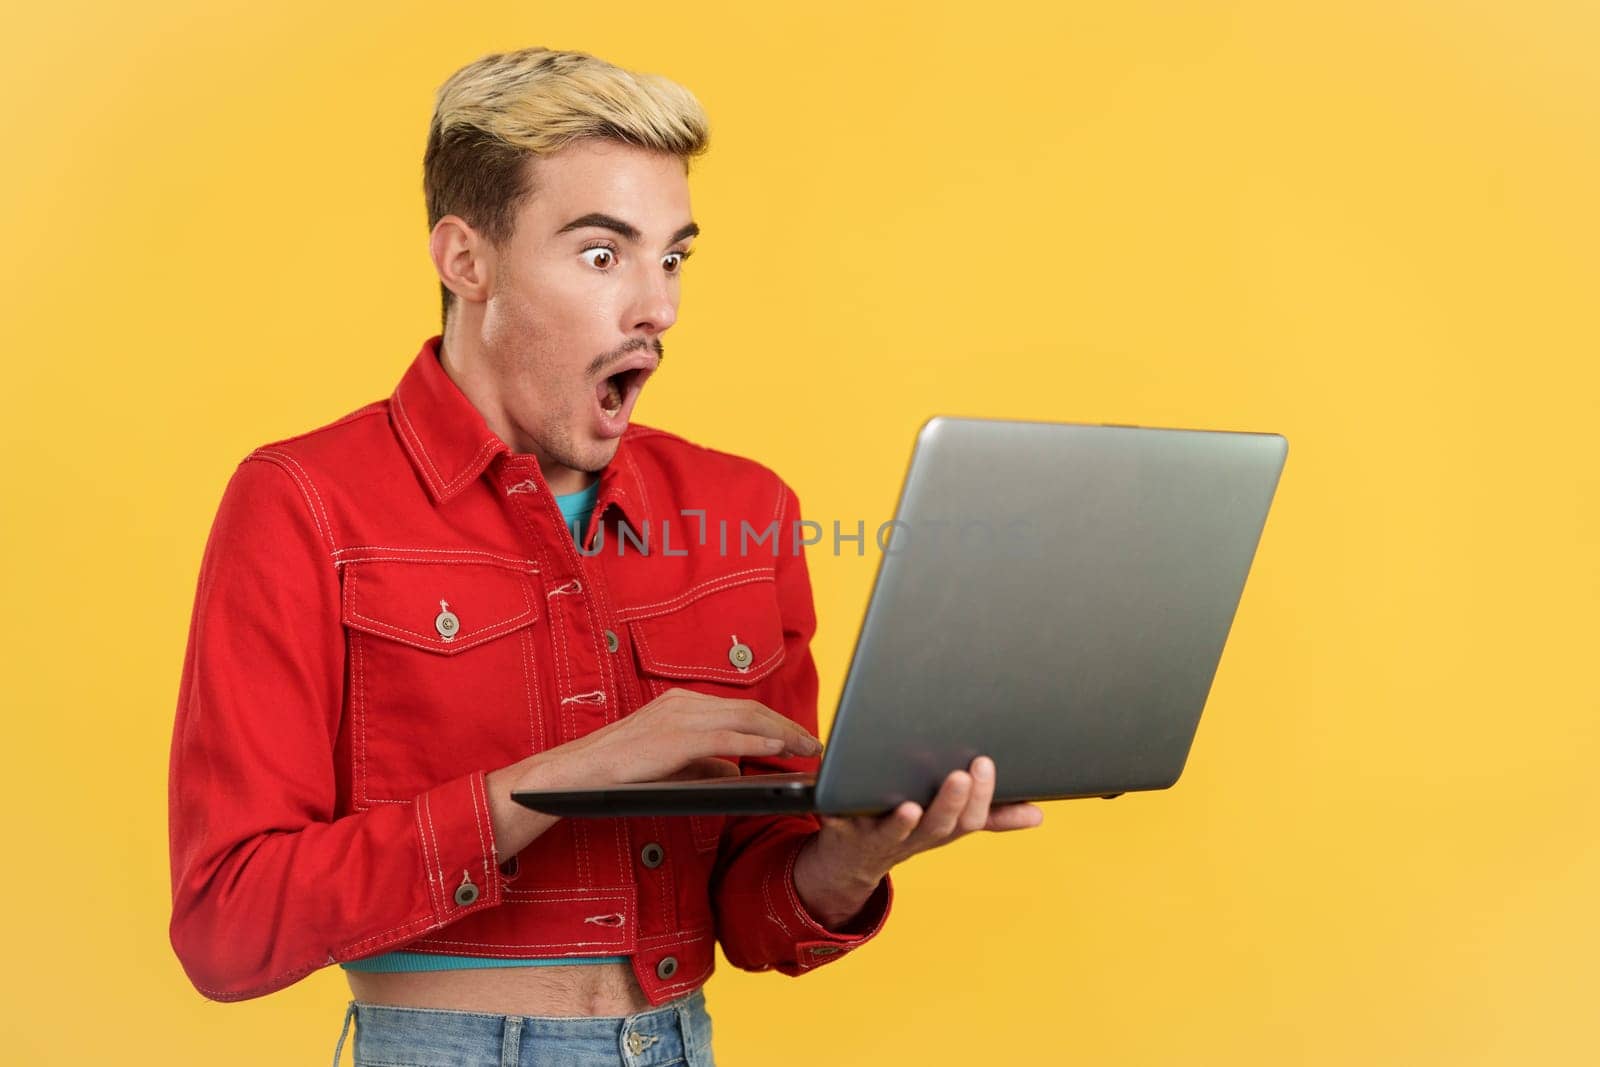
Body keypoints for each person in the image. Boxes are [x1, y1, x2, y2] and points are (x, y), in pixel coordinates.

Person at [167, 46, 1044, 1067]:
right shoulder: (303, 503)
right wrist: (559, 779)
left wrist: (846, 860)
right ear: (466, 260)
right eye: (601, 254)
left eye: (672, 257)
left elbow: (754, 907)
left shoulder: (744, 509)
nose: (657, 309)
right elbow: (226, 926)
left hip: (677, 1042)